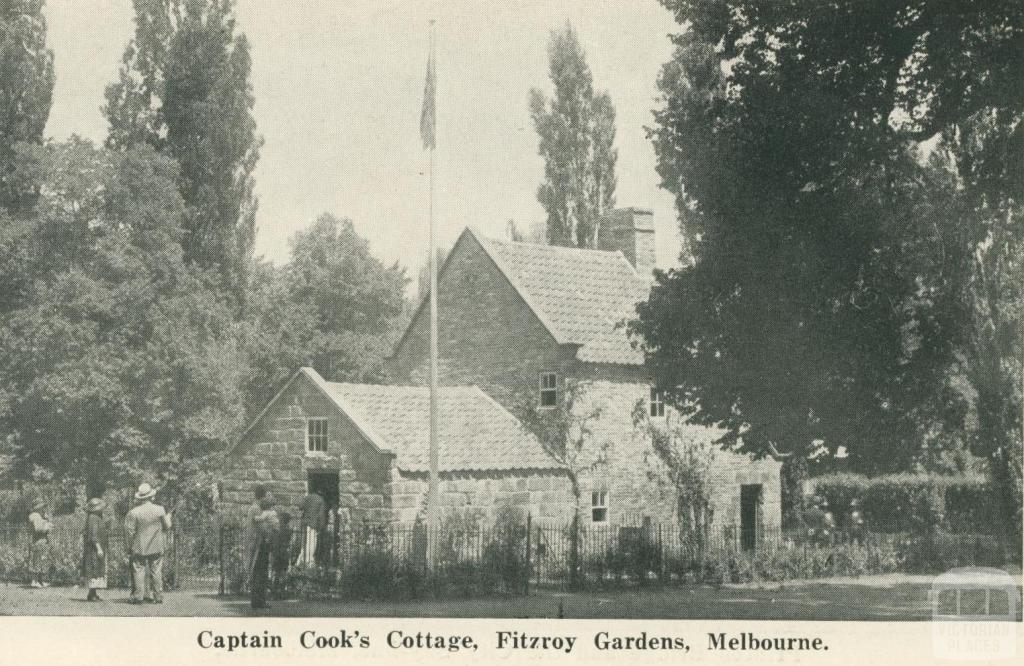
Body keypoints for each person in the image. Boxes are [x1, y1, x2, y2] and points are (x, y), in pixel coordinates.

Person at [124, 482, 172, 604]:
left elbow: (129, 532)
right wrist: (168, 518)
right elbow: (167, 527)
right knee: (156, 571)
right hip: (156, 545)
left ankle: (138, 596)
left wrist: (129, 546)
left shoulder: (134, 512)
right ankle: (158, 596)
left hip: (139, 546)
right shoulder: (160, 510)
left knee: (138, 570)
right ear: (151, 496)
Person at [246, 495, 279, 610]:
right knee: (261, 574)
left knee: (259, 574)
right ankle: (258, 601)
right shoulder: (261, 513)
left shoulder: (260, 512)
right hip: (262, 546)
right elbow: (265, 529)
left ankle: (258, 601)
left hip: (261, 545)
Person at [81, 497, 109, 601]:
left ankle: (93, 593)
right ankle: (92, 594)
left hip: (96, 547)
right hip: (94, 548)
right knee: (93, 568)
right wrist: (99, 548)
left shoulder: (97, 517)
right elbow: (93, 535)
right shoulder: (93, 518)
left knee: (95, 569)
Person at [27, 500, 52, 588]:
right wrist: (47, 526)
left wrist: (46, 520)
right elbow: (38, 529)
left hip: (42, 541)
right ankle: (34, 581)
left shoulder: (41, 516)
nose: (44, 509)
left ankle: (41, 581)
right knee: (36, 560)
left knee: (42, 560)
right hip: (37, 541)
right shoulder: (35, 516)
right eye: (42, 507)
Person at [298, 489, 325, 566]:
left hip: (305, 522)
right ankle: (308, 561)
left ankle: (301, 560)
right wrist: (321, 527)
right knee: (312, 542)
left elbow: (300, 506)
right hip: (313, 524)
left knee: (304, 542)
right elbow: (321, 515)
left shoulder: (307, 497)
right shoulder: (321, 500)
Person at [271, 511, 294, 598]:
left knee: (275, 573)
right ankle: (282, 592)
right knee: (283, 573)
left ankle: (274, 593)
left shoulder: (276, 530)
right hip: (284, 552)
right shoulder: (288, 530)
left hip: (276, 552)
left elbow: (273, 541)